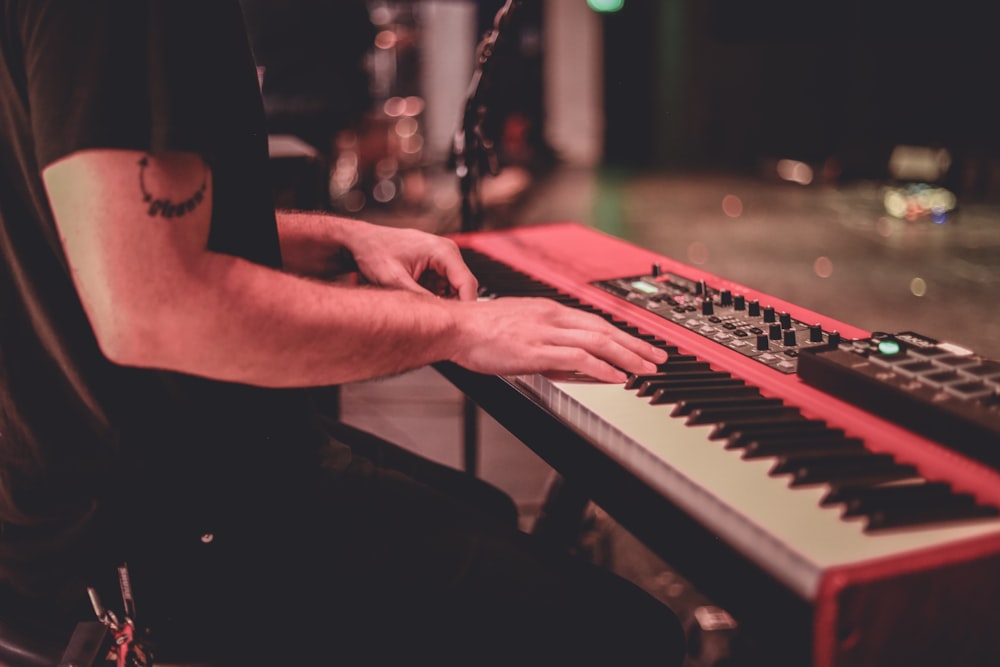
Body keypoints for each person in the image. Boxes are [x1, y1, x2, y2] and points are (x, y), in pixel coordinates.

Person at [0, 2, 685, 665]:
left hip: (79, 492)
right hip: (153, 530)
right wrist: (457, 327)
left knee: (489, 509)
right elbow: (158, 309)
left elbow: (96, 231)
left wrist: (335, 236)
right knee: (626, 635)